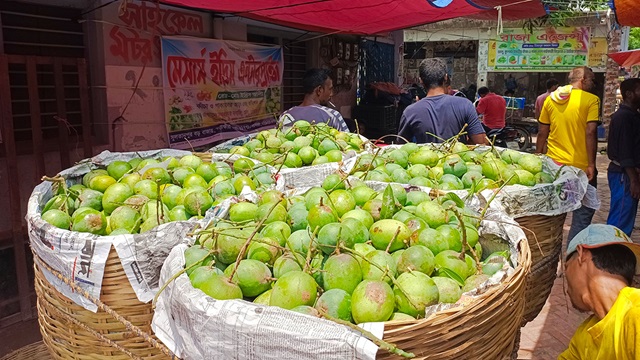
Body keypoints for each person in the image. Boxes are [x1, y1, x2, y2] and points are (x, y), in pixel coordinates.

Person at [537, 66, 600, 241]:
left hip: (554, 166)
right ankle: (572, 259)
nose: (594, 84)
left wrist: (538, 155)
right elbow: (590, 131)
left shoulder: (551, 99)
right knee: (582, 217)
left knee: (554, 217)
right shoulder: (592, 100)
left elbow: (543, 132)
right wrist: (591, 164)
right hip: (581, 169)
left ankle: (553, 261)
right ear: (583, 79)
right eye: (592, 80)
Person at [559, 224, 640, 360]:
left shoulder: (636, 315)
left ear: (581, 254)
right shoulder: (583, 336)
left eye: (566, 267)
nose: (567, 288)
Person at [397, 58, 486, 144]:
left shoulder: (410, 111)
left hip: (426, 158)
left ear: (421, 81)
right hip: (456, 158)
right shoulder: (465, 104)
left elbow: (402, 149)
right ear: (446, 78)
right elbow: (481, 142)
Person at [606, 78, 640, 236]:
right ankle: (610, 253)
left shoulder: (633, 115)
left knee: (625, 218)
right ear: (629, 94)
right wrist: (633, 179)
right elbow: (625, 151)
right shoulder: (623, 117)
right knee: (619, 221)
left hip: (627, 173)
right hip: (623, 174)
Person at [279, 68, 349, 132]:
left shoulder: (285, 116)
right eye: (330, 89)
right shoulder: (332, 115)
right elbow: (346, 142)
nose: (331, 94)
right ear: (319, 90)